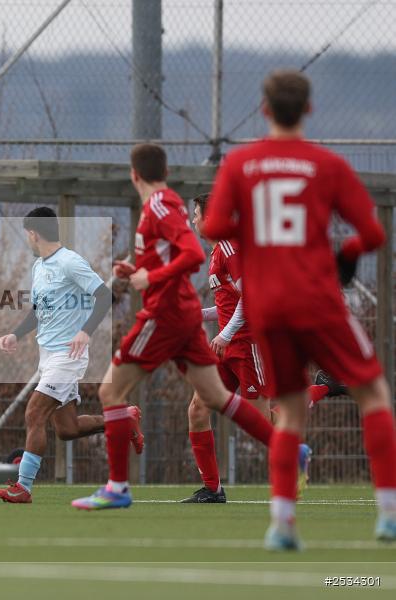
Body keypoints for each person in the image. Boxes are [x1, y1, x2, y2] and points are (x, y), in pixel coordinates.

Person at [203, 69, 396, 548]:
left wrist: (257, 240)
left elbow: (213, 224)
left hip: (268, 306)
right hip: (317, 297)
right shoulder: (325, 165)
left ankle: (282, 524)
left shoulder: (241, 165)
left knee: (287, 413)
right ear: (309, 110)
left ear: (264, 111)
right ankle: (389, 514)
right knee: (374, 395)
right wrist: (345, 254)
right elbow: (372, 234)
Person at [71, 143, 277, 511]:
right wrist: (137, 273)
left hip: (166, 318)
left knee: (109, 392)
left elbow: (190, 257)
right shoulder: (169, 204)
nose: (195, 221)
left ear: (134, 175)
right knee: (208, 402)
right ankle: (284, 454)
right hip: (182, 317)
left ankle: (117, 487)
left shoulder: (161, 206)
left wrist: (150, 275)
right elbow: (176, 260)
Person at [0, 207, 143, 504]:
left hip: (68, 356)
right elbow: (40, 310)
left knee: (34, 413)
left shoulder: (70, 262)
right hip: (48, 357)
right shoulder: (39, 266)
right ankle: (124, 418)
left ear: (33, 234)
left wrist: (85, 331)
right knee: (67, 429)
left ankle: (23, 487)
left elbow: (104, 296)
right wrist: (16, 334)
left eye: (27, 234)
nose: (28, 239)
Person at [183, 193, 323, 503]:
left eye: (196, 214)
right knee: (198, 408)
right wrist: (200, 315)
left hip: (249, 345)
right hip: (228, 345)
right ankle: (213, 489)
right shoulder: (218, 250)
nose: (193, 220)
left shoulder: (231, 247)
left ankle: (299, 444)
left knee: (259, 422)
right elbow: (228, 305)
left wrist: (225, 334)